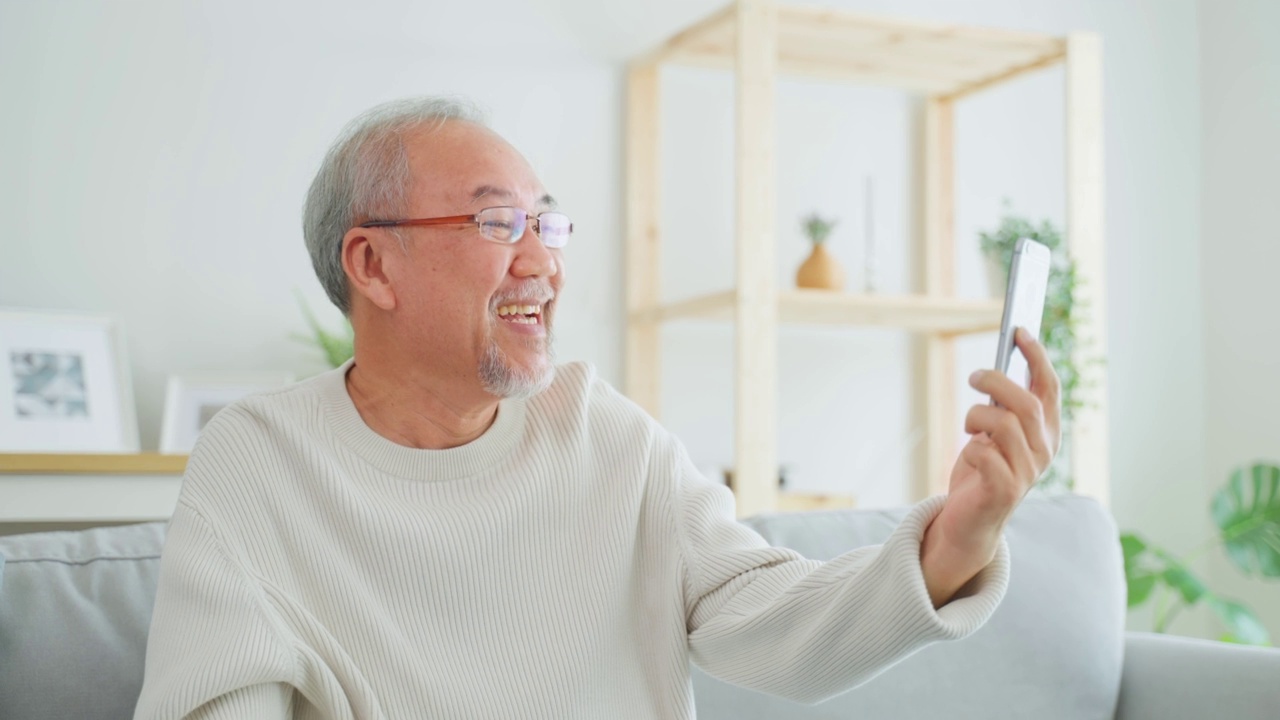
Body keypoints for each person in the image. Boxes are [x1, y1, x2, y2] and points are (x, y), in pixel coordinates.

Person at [134, 96, 1061, 719]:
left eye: (546, 222)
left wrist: (958, 542)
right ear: (373, 265)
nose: (542, 261)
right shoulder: (257, 464)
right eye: (499, 223)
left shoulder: (600, 433)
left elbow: (772, 618)